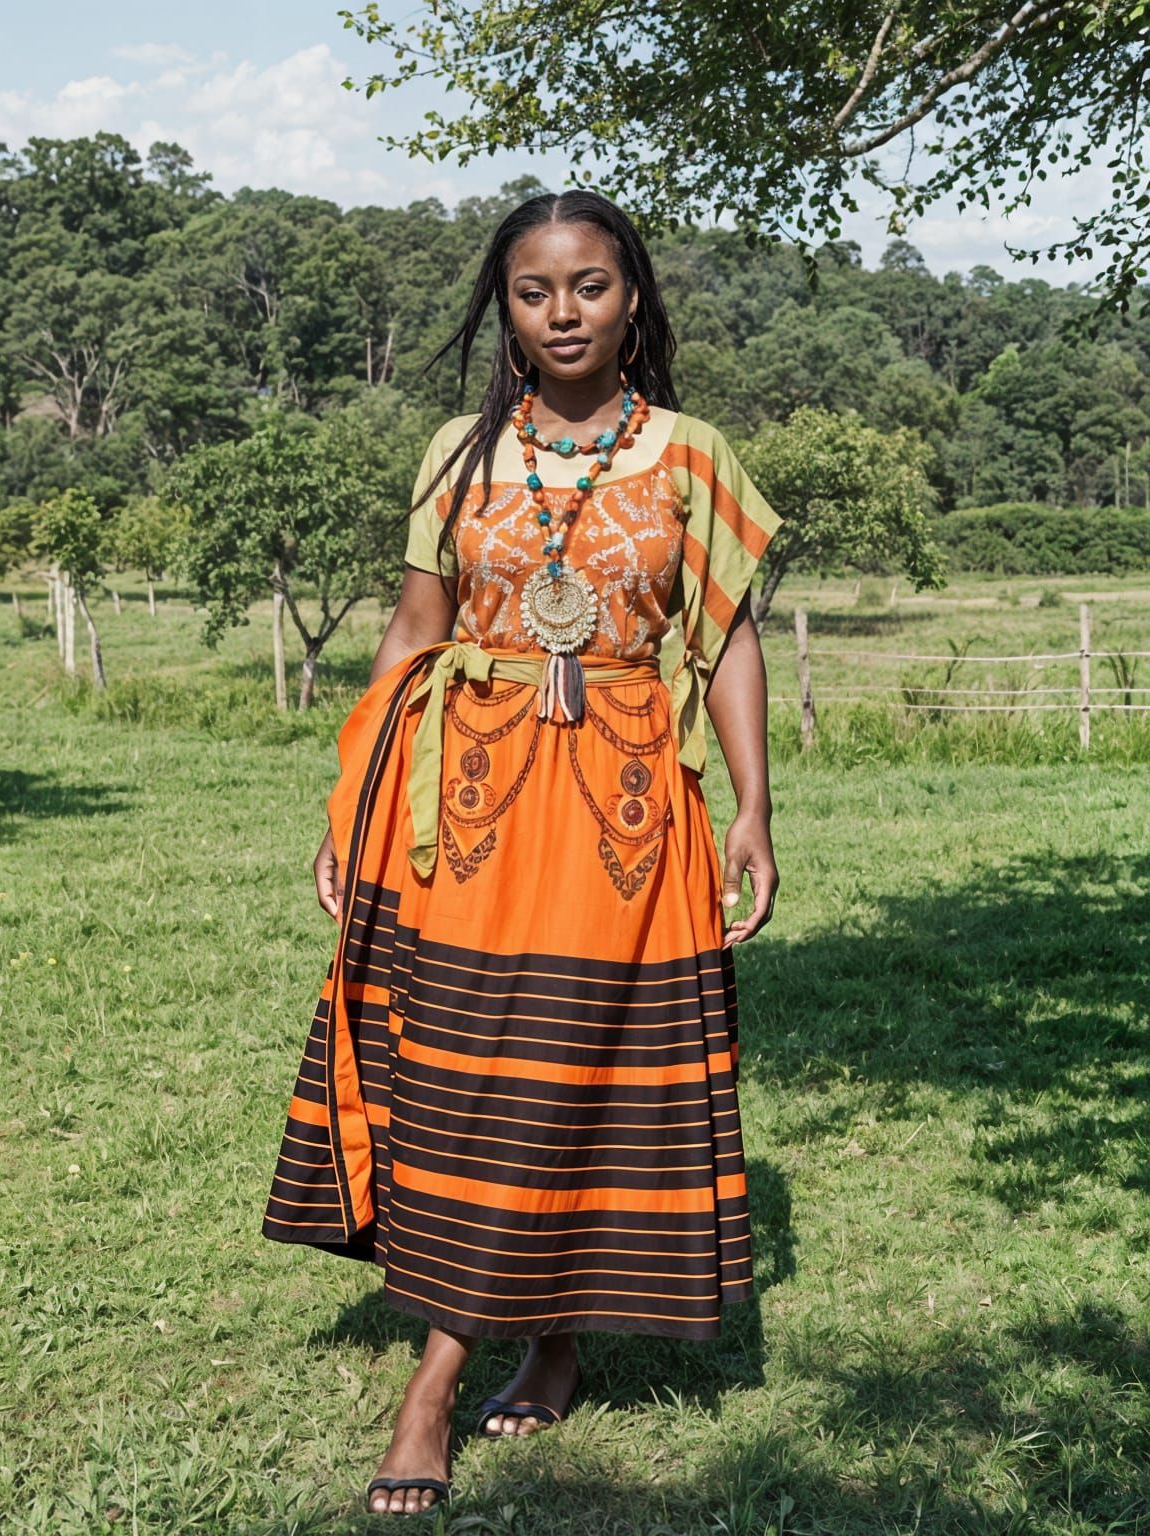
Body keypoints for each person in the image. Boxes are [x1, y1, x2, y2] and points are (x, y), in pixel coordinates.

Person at [262, 190, 781, 1518]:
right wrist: (350, 802)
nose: (563, 312)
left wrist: (752, 811)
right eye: (536, 289)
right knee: (467, 1078)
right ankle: (483, 1355)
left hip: (622, 813)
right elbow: (412, 630)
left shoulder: (688, 455)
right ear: (506, 307)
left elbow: (723, 643)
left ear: (634, 300)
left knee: (586, 1076)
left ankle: (496, 1361)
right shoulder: (457, 452)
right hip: (468, 800)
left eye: (591, 286)